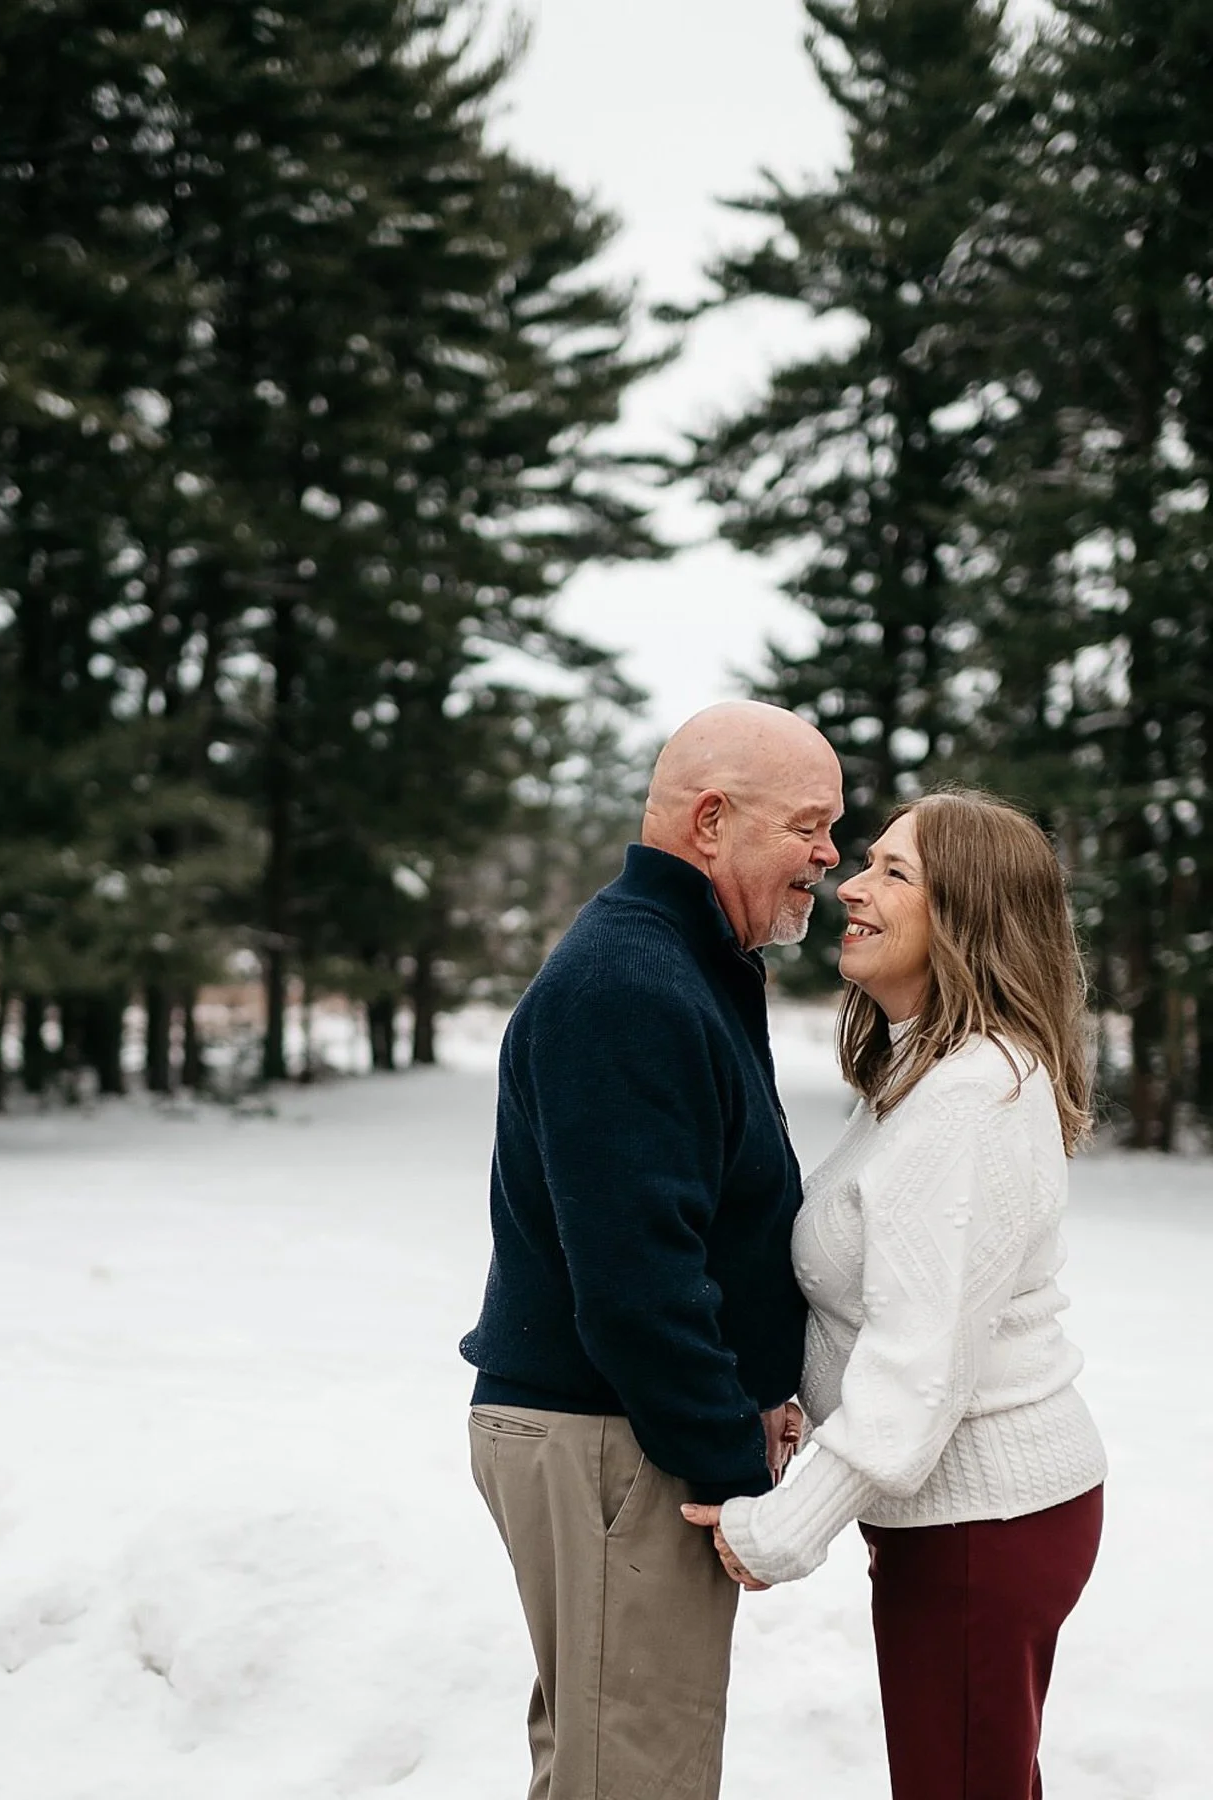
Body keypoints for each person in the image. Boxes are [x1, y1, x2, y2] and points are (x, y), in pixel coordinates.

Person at [684, 790, 1107, 1800]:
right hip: (968, 1523)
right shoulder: (930, 1071)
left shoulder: (969, 1097)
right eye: (864, 864)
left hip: (983, 1528)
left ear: (967, 916)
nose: (850, 889)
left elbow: (921, 1368)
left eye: (893, 873)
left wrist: (784, 1531)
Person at [459, 699, 844, 1800]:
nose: (829, 855)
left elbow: (701, 1224)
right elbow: (638, 1286)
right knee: (637, 1776)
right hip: (613, 1446)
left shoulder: (683, 961)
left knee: (603, 1764)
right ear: (712, 821)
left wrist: (757, 1389)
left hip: (623, 1439)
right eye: (810, 825)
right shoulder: (631, 984)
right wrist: (731, 1460)